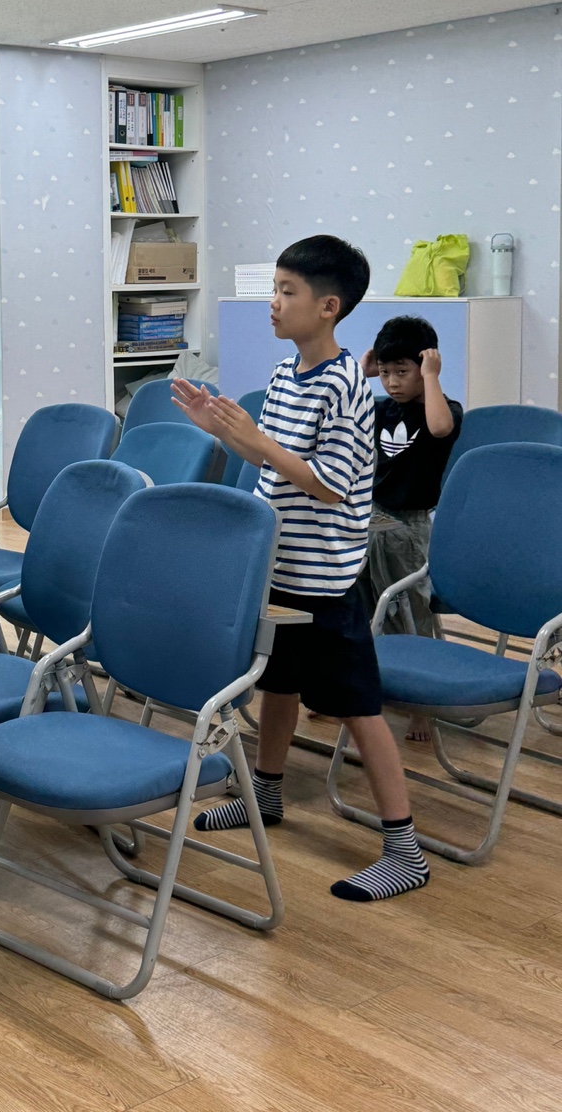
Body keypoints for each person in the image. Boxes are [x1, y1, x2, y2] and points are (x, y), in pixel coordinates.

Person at [172, 235, 430, 902]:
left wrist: (255, 439)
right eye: (275, 289)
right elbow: (272, 462)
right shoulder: (287, 373)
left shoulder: (346, 387)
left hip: (322, 579)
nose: (274, 302)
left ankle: (405, 849)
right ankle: (266, 793)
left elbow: (331, 485)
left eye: (288, 291)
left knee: (357, 708)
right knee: (278, 685)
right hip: (277, 566)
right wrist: (222, 431)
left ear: (328, 306)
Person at [360, 317, 462, 738]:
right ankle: (363, 685)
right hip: (373, 515)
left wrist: (431, 376)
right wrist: (362, 371)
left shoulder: (441, 408)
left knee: (411, 607)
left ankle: (423, 702)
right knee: (365, 603)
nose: (392, 382)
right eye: (385, 373)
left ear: (424, 365)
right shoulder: (382, 408)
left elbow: (440, 428)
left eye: (402, 371)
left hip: (411, 523)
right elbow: (345, 413)